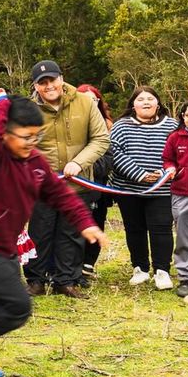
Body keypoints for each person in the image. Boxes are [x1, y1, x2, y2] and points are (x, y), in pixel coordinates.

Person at [0, 94, 105, 377]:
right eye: (25, 136)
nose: (32, 142)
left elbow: (59, 194)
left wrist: (85, 222)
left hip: (4, 246)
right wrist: (5, 101)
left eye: (37, 135)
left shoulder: (34, 161)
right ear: (5, 133)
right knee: (17, 306)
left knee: (5, 305)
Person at [24, 60, 109, 299]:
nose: (49, 86)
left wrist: (78, 162)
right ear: (36, 86)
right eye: (42, 83)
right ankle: (36, 280)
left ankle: (66, 280)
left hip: (79, 183)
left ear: (61, 79)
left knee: (71, 234)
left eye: (52, 80)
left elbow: (101, 139)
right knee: (40, 232)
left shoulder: (85, 102)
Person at [109, 86, 176, 290]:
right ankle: (140, 268)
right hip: (128, 189)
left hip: (162, 190)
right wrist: (141, 175)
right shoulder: (121, 126)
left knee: (161, 229)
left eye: (150, 98)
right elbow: (115, 154)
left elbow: (178, 153)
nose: (146, 102)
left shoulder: (172, 126)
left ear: (158, 103)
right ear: (133, 104)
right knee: (134, 228)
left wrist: (162, 174)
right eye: (140, 99)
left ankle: (162, 271)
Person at [76, 84, 113, 284]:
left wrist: (87, 167)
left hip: (97, 186)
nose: (90, 102)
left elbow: (107, 157)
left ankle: (88, 264)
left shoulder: (106, 125)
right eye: (85, 98)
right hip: (73, 184)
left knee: (95, 222)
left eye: (94, 99)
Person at [165, 100, 188, 298]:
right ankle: (186, 278)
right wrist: (170, 169)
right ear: (182, 116)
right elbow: (168, 159)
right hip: (183, 193)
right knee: (185, 237)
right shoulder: (175, 137)